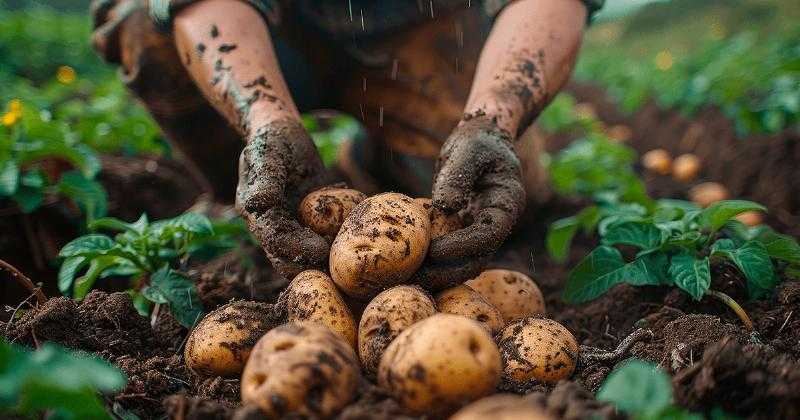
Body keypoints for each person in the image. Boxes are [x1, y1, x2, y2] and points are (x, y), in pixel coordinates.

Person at [91, 0, 603, 285]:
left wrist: (493, 120)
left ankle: (374, 159)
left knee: (496, 193)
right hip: (269, 32)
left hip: (418, 26)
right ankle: (251, 188)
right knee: (143, 23)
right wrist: (267, 122)